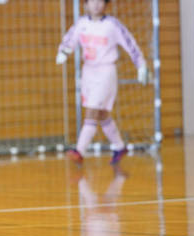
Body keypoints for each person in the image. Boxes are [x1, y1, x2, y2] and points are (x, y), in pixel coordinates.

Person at [56, 0, 148, 165]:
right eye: (93, 1)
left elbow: (130, 43)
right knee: (102, 114)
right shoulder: (81, 23)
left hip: (106, 72)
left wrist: (141, 65)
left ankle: (79, 150)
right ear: (86, 4)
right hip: (88, 72)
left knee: (92, 112)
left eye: (100, 1)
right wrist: (63, 51)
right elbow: (69, 40)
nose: (97, 4)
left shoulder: (112, 25)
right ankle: (119, 147)